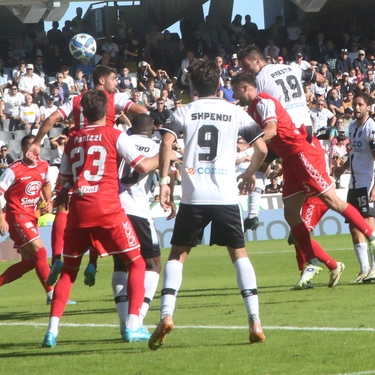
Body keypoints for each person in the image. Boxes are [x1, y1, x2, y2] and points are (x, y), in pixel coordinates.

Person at [148, 60, 268, 351]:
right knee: (239, 254)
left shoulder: (184, 111)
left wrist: (164, 181)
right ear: (219, 85)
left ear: (193, 86)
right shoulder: (236, 112)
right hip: (226, 194)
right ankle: (255, 321)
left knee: (178, 255)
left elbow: (166, 143)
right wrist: (250, 173)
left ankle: (166, 315)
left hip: (194, 195)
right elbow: (262, 147)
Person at [231, 73, 375, 289]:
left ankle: (372, 237)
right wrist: (254, 170)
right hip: (289, 161)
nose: (233, 94)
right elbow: (265, 147)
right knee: (289, 213)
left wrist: (249, 145)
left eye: (235, 90)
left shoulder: (264, 102)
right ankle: (315, 261)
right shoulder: (252, 109)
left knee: (332, 200)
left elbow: (270, 130)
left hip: (301, 154)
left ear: (245, 87)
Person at [41, 90, 159, 348]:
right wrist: (166, 153)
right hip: (108, 209)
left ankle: (51, 332)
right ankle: (133, 327)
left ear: (82, 112)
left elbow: (64, 182)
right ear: (108, 111)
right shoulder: (116, 134)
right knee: (137, 263)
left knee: (69, 273)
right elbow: (142, 167)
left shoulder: (72, 140)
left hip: (78, 210)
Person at [113, 113, 174, 339]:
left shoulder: (121, 143)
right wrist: (170, 195)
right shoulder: (157, 146)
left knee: (120, 264)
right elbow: (169, 172)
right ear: (153, 129)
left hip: (115, 209)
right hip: (137, 210)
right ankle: (136, 321)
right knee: (153, 264)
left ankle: (123, 322)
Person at [0, 135, 54, 304]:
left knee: (29, 262)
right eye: (31, 146)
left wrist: (48, 201)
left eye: (37, 146)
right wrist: (2, 218)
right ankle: (52, 294)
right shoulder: (13, 170)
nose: (34, 150)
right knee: (41, 251)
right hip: (16, 216)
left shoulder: (44, 166)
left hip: (31, 216)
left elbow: (46, 184)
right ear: (23, 150)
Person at [335, 92, 375, 283]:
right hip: (354, 183)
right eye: (354, 104)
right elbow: (353, 154)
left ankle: (374, 268)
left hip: (368, 182)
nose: (356, 108)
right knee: (353, 226)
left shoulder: (371, 129)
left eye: (360, 104)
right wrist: (341, 168)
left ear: (368, 107)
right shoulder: (352, 127)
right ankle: (364, 269)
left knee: (368, 224)